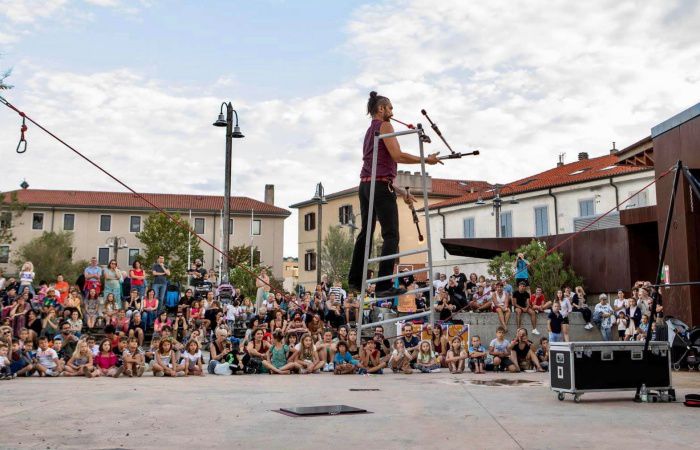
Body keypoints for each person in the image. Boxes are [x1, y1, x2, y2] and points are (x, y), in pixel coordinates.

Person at [347, 91, 441, 297]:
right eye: (390, 108)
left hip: (366, 186)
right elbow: (397, 156)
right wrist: (427, 160)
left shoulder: (369, 131)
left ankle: (354, 280)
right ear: (381, 109)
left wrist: (399, 190)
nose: (392, 111)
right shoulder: (385, 126)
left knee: (366, 232)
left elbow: (377, 170)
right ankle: (383, 286)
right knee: (391, 236)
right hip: (379, 186)